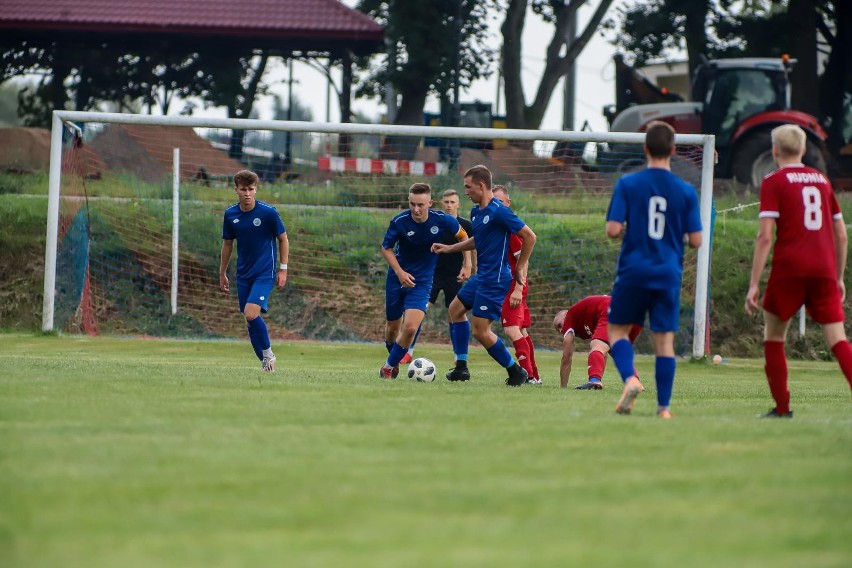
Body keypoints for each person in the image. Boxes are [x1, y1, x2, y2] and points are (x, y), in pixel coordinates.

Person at [745, 124, 852, 418]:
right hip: (823, 268)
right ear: (804, 149)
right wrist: (838, 276)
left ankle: (782, 408)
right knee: (837, 339)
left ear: (775, 150)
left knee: (774, 337)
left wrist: (754, 284)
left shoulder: (773, 181)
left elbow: (765, 236)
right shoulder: (822, 180)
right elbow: (841, 235)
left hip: (790, 267)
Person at [605, 121, 703, 418]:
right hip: (667, 273)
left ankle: (631, 379)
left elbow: (612, 229)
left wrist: (630, 232)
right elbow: (697, 240)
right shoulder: (686, 190)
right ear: (673, 151)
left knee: (617, 331)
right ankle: (663, 409)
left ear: (645, 148)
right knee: (664, 342)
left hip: (634, 270)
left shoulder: (628, 183)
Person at [432, 165, 536, 386]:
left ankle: (515, 372)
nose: (466, 192)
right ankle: (461, 368)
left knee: (481, 331)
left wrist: (520, 267)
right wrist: (450, 248)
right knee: (455, 310)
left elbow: (530, 236)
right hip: (481, 277)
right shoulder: (477, 211)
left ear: (481, 186)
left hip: (496, 280)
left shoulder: (500, 211)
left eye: (468, 187)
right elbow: (479, 239)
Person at [379, 183, 468, 379]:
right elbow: (386, 248)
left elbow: (464, 237)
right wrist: (400, 272)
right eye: (412, 204)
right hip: (396, 279)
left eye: (420, 205)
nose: (416, 209)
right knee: (393, 327)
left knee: (410, 327)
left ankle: (388, 367)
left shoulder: (442, 220)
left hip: (423, 282)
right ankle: (392, 358)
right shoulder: (399, 221)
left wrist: (468, 265)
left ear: (430, 203)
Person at [219, 170, 289, 372]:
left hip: (264, 274)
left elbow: (283, 239)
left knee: (251, 314)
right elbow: (227, 245)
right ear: (236, 190)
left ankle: (269, 355)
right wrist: (222, 272)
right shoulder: (230, 215)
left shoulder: (268, 213)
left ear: (256, 189)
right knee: (249, 321)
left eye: (251, 189)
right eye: (243, 189)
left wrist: (283, 269)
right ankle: (265, 362)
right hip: (243, 275)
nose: (247, 193)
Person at [401, 189, 473, 364]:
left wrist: (468, 266)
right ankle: (407, 351)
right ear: (441, 203)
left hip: (454, 276)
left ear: (458, 204)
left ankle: (459, 357)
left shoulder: (466, 225)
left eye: (452, 202)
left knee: (455, 314)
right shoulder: (438, 222)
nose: (449, 205)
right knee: (419, 310)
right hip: (432, 274)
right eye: (446, 202)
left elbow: (470, 245)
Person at [492, 185, 541, 384]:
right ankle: (535, 376)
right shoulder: (498, 226)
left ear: (508, 203)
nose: (497, 206)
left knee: (511, 330)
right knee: (521, 332)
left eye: (501, 202)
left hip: (513, 285)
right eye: (493, 202)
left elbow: (524, 260)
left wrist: (518, 288)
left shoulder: (512, 229)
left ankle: (528, 376)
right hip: (507, 284)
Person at [552, 295, 642, 390]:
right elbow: (604, 353)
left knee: (596, 347)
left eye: (559, 325)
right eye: (558, 330)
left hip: (613, 309)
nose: (562, 330)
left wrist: (563, 388)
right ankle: (635, 381)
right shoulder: (587, 319)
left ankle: (594, 380)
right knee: (614, 351)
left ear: (565, 316)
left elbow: (566, 357)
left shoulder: (570, 315)